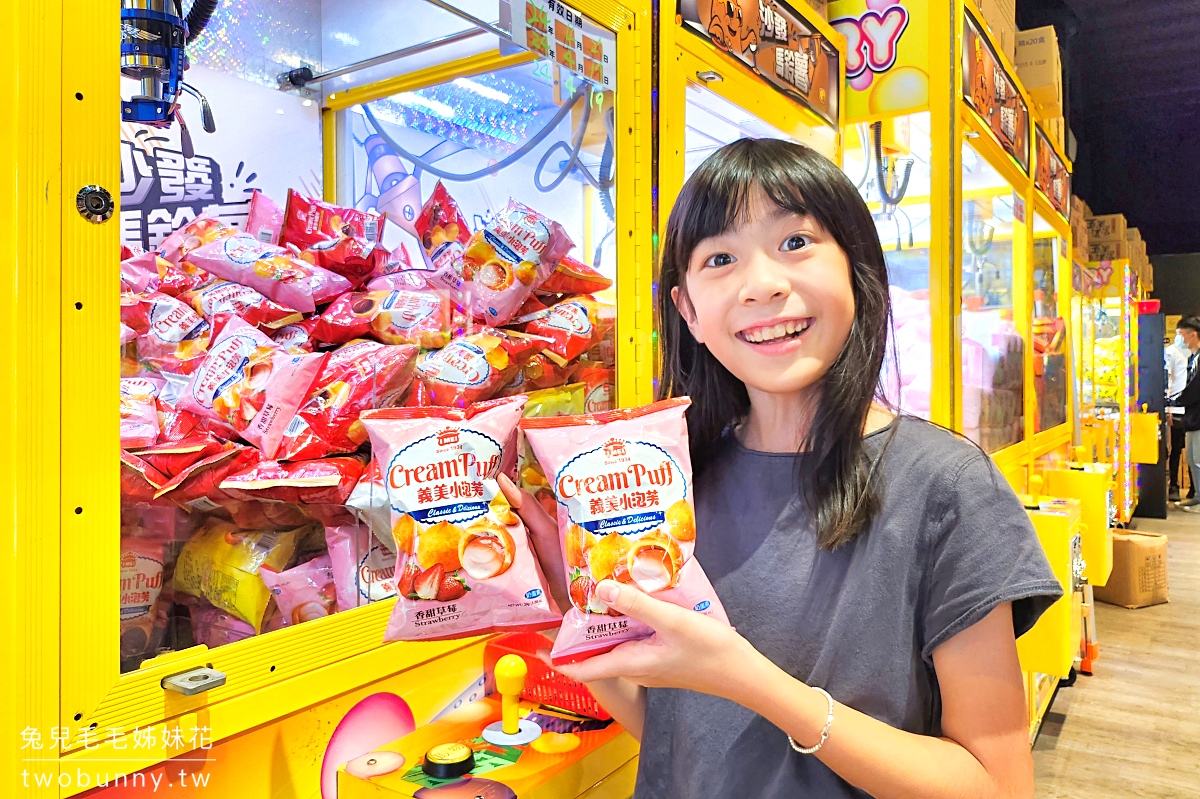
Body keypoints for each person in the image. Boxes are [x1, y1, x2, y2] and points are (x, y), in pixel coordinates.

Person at [501, 139, 1061, 799]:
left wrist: (750, 679)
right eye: (720, 258)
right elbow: (679, 737)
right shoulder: (672, 486)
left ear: (854, 267)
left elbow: (997, 785)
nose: (761, 283)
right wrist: (566, 605)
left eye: (795, 242)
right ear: (688, 311)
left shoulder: (946, 485)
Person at [1168, 316, 1200, 510]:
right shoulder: (1193, 357)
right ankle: (1196, 494)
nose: (1180, 339)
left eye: (1181, 335)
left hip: (1197, 416)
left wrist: (1176, 400)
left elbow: (1195, 388)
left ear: (1193, 334)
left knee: (1197, 459)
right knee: (1191, 457)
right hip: (1191, 416)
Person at [1165, 329, 1190, 502]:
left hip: (1193, 408)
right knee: (1176, 449)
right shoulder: (1171, 352)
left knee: (1193, 451)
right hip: (1176, 408)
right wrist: (1167, 407)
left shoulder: (1194, 353)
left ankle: (1194, 488)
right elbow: (1167, 379)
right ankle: (1173, 484)